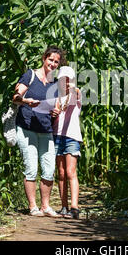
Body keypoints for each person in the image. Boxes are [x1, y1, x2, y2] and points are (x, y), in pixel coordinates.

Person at [12, 46, 64, 217]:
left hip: (45, 128)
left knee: (49, 169)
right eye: (51, 60)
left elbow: (56, 106)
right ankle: (33, 206)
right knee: (31, 167)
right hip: (26, 127)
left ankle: (46, 206)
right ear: (44, 58)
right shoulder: (30, 75)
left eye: (56, 62)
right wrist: (26, 101)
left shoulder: (55, 83)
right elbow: (16, 97)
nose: (53, 64)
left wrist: (56, 111)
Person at [52, 66, 83, 219]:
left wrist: (73, 88)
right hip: (57, 136)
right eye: (62, 79)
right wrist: (53, 112)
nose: (64, 82)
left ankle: (74, 207)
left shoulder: (76, 95)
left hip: (72, 137)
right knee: (62, 173)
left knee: (71, 172)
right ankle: (64, 206)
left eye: (67, 79)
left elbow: (77, 92)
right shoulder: (56, 97)